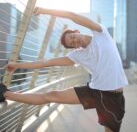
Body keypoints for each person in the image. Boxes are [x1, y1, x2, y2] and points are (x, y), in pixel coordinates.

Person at [0, 7, 128, 132]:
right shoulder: (78, 55)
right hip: (94, 91)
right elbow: (47, 63)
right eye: (72, 44)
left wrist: (45, 11)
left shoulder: (101, 33)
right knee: (50, 96)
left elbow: (73, 16)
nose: (75, 41)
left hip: (113, 97)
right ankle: (5, 93)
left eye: (72, 37)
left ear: (76, 31)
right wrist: (17, 65)